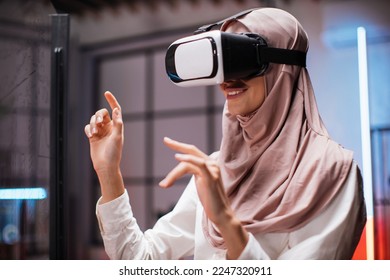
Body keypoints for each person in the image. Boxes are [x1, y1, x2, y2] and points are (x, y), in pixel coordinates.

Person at [84, 8, 366, 260]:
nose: (226, 81)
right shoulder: (216, 171)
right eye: (222, 65)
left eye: (240, 59)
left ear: (283, 70)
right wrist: (108, 172)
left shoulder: (332, 172)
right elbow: (140, 261)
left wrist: (226, 221)